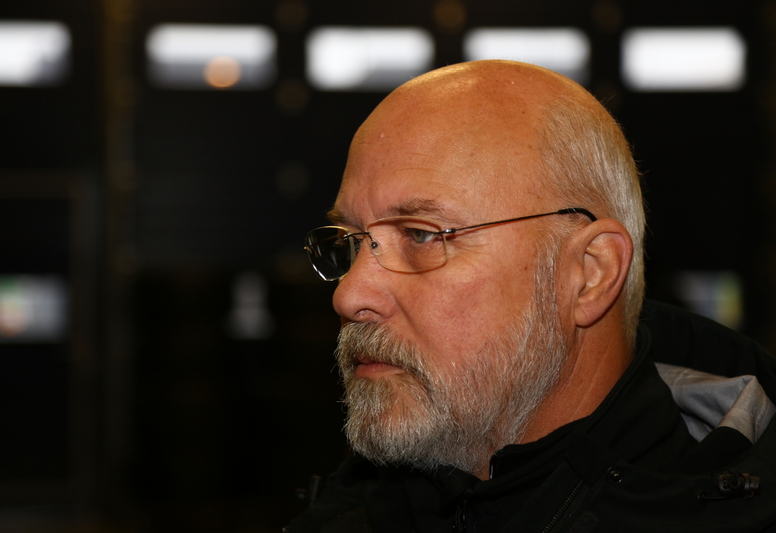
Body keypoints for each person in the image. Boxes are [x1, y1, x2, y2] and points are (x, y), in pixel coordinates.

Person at [288, 60, 776, 532]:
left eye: (421, 235)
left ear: (590, 274)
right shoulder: (344, 512)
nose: (349, 295)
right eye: (350, 241)